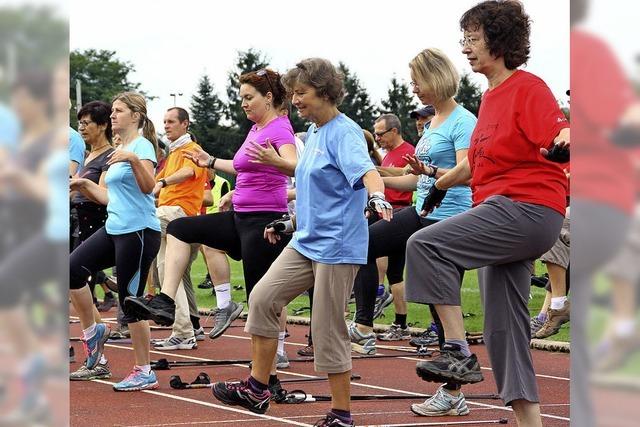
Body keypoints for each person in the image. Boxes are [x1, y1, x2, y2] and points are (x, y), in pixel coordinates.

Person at [404, 2, 569, 426]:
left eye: (473, 39)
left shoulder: (527, 87)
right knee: (504, 333)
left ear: (499, 41)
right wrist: (437, 183)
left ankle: (456, 353)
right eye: (464, 40)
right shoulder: (490, 96)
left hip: (527, 209)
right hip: (501, 212)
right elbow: (476, 166)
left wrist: (566, 140)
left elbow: (558, 130)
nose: (465, 48)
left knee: (426, 244)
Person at [210, 57, 393, 427]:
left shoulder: (345, 133)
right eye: (292, 93)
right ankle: (257, 388)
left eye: (301, 93)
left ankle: (341, 415)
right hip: (306, 239)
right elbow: (317, 190)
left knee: (327, 329)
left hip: (337, 247)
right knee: (262, 299)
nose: (294, 100)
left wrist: (378, 198)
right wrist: (290, 221)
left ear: (324, 92)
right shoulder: (313, 134)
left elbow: (369, 174)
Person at [124, 68, 297, 349]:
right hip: (240, 217)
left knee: (259, 297)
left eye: (248, 97)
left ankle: (274, 358)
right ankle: (166, 301)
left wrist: (274, 160)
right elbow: (243, 166)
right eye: (241, 97)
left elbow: (295, 166)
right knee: (180, 229)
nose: (243, 103)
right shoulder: (256, 128)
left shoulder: (280, 127)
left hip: (264, 222)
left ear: (268, 98)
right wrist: (211, 160)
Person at [349, 48, 475, 368]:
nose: (413, 88)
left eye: (417, 81)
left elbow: (468, 173)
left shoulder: (463, 121)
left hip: (447, 217)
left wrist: (431, 173)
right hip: (420, 212)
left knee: (440, 298)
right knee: (363, 243)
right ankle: (363, 328)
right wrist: (377, 179)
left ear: (435, 78)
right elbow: (415, 181)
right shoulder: (433, 123)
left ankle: (454, 379)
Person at [70, 92, 161, 392]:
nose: (113, 115)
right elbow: (109, 196)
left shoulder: (142, 146)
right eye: (113, 111)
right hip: (115, 227)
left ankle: (144, 370)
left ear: (135, 116)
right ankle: (95, 330)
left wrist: (134, 159)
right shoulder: (117, 149)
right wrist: (83, 184)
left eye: (119, 111)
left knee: (130, 301)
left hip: (138, 231)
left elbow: (149, 188)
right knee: (70, 269)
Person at [149, 107, 208, 351]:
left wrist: (163, 182)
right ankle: (183, 332)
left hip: (179, 215)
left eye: (171, 121)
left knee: (139, 222)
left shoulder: (191, 150)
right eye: (164, 121)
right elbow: (152, 181)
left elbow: (186, 172)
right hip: (170, 215)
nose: (166, 125)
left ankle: (117, 271)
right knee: (168, 277)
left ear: (185, 124)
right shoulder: (173, 152)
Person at [68, 101, 117, 381]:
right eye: (80, 123)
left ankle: (97, 342)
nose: (82, 127)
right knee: (72, 284)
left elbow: (105, 194)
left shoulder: (109, 157)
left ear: (103, 125)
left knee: (71, 279)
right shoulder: (88, 156)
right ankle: (97, 349)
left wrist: (82, 185)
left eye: (87, 123)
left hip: (98, 226)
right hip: (78, 224)